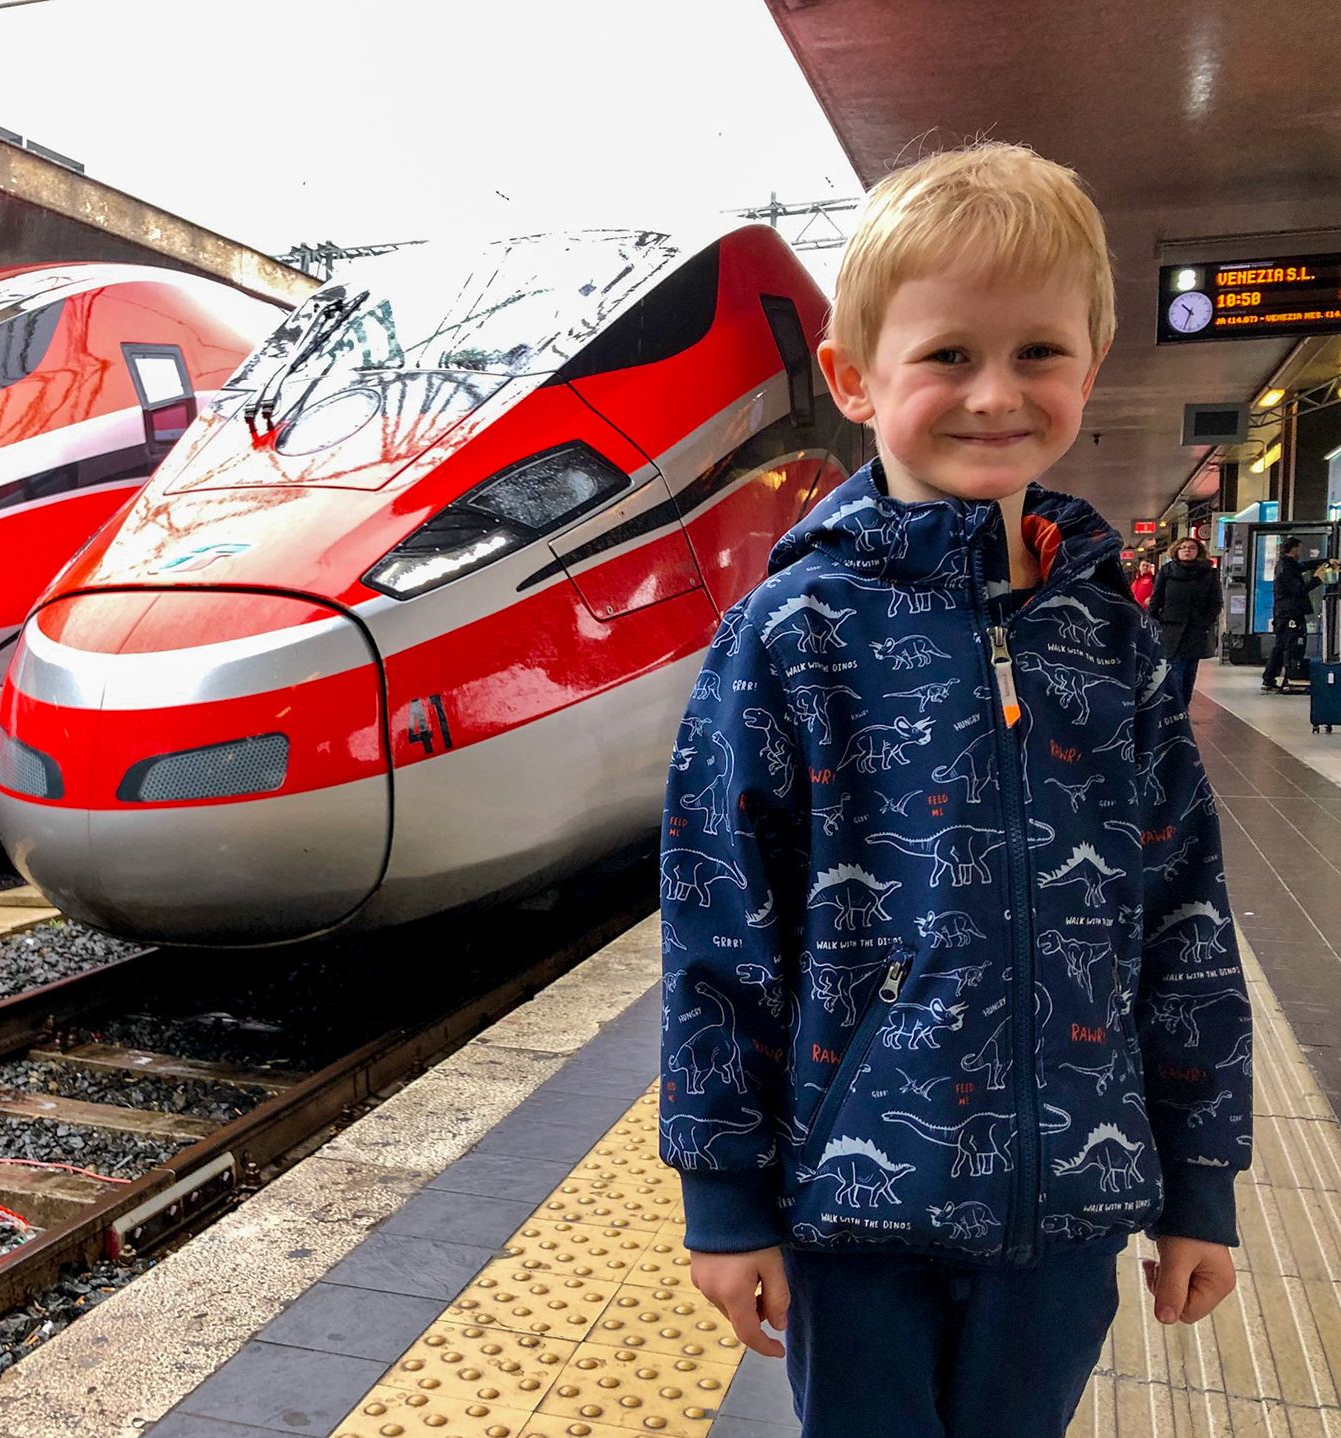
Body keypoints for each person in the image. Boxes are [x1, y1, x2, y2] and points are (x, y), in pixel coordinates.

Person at [662, 142, 1250, 1438]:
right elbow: (719, 927)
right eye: (946, 354)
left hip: (1068, 1211)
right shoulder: (791, 635)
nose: (995, 392)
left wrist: (1199, 1179)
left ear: (1092, 366)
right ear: (853, 379)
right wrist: (723, 1194)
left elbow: (1184, 918)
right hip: (855, 1213)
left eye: (1038, 350)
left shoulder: (1113, 644)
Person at [1150, 537, 1220, 702]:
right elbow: (1156, 598)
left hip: (1196, 630)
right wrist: (1153, 622)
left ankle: (1183, 707)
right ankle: (1176, 708)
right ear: (1176, 551)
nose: (1187, 550)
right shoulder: (1167, 571)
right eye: (1183, 547)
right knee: (1175, 671)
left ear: (1198, 552)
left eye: (1192, 547)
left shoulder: (1208, 573)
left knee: (1189, 672)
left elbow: (1215, 602)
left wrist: (1206, 621)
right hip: (1171, 630)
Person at [1260, 536, 1323, 692]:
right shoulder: (1286, 569)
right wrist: (1316, 579)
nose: (1300, 552)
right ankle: (1290, 676)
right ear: (1294, 549)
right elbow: (1298, 590)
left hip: (1285, 613)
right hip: (1290, 614)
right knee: (1292, 645)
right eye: (1299, 549)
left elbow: (1304, 566)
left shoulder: (1286, 565)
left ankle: (1270, 678)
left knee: (1281, 645)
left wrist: (1325, 561)